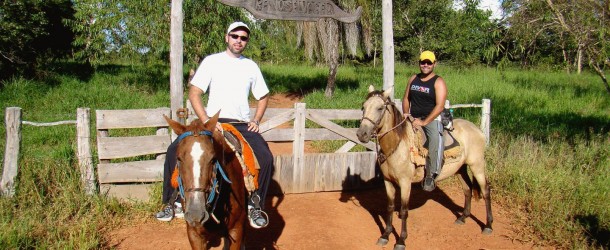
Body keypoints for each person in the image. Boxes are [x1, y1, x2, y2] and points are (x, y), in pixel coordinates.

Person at [156, 21, 273, 229]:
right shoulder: (212, 61)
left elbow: (263, 96)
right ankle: (171, 202)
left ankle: (255, 204)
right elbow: (194, 93)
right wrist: (208, 122)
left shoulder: (251, 66)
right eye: (235, 36)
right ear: (226, 37)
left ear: (246, 41)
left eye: (243, 38)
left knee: (265, 157)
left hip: (240, 124)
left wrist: (256, 120)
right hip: (210, 122)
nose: (239, 40)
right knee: (173, 151)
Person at [402, 50, 447, 192]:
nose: (425, 65)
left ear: (434, 64)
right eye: (423, 62)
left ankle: (431, 174)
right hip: (413, 117)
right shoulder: (413, 78)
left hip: (431, 118)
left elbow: (440, 106)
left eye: (429, 62)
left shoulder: (438, 81)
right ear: (419, 63)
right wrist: (405, 113)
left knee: (435, 138)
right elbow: (406, 98)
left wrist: (424, 122)